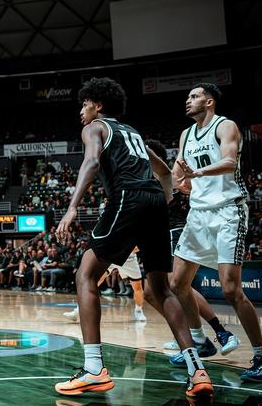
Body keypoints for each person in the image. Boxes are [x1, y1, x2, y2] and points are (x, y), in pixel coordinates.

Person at [53, 78, 212, 398]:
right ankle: (198, 372)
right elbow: (164, 171)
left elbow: (92, 162)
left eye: (84, 104)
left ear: (98, 105)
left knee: (85, 275)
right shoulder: (133, 133)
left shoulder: (95, 127)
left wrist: (72, 207)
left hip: (128, 197)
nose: (81, 111)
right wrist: (161, 204)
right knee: (162, 289)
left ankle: (94, 369)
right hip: (155, 202)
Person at [169, 83, 262, 382]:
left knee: (230, 289)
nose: (188, 100)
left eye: (194, 96)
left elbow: (229, 162)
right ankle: (200, 340)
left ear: (209, 101)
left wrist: (197, 173)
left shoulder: (225, 126)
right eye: (188, 96)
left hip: (228, 210)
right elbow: (179, 170)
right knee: (177, 282)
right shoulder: (186, 134)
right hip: (198, 213)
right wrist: (178, 181)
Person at [144, 139, 240, 356]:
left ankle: (221, 332)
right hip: (159, 236)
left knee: (177, 284)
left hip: (176, 231)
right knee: (150, 293)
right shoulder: (148, 177)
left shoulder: (167, 175)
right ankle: (187, 334)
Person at [64, 250, 147, 322]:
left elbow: (138, 247)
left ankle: (138, 310)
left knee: (138, 288)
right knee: (95, 282)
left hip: (128, 259)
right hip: (112, 256)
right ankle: (78, 310)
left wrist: (126, 247)